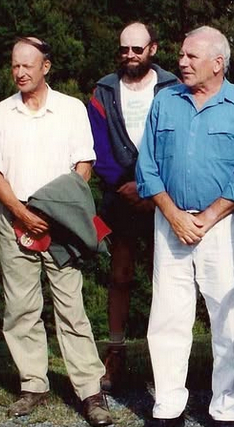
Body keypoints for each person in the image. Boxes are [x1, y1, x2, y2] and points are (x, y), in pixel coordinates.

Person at [0, 37, 112, 426]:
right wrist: (22, 212)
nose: (20, 72)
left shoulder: (71, 109)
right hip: (14, 220)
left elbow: (83, 164)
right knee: (20, 308)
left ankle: (90, 392)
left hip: (62, 227)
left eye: (28, 65)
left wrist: (57, 211)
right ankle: (33, 385)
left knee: (71, 308)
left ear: (46, 67)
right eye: (14, 66)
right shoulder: (0, 114)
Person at [135, 25, 234, 426]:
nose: (181, 61)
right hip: (169, 221)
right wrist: (172, 214)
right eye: (182, 54)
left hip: (222, 224)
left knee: (225, 315)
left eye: (191, 56)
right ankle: (168, 404)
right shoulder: (164, 101)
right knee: (168, 314)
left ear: (218, 63)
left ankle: (225, 407)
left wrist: (207, 218)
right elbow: (147, 165)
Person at [87, 22, 179, 393]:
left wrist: (151, 188)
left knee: (167, 281)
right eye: (124, 49)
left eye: (137, 49)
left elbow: (179, 141)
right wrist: (124, 186)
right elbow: (96, 146)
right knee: (120, 276)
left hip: (163, 197)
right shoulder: (103, 90)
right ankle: (116, 352)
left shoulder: (173, 87)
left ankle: (165, 361)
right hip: (120, 195)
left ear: (152, 49)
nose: (130, 56)